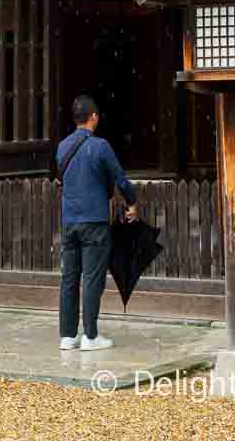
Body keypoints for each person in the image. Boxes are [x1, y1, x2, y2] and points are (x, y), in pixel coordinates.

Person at [55, 94, 137, 352]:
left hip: (69, 220)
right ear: (93, 117)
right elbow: (120, 178)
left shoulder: (62, 147)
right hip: (94, 221)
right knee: (91, 278)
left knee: (69, 278)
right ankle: (90, 336)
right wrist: (132, 202)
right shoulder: (100, 146)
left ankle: (67, 336)